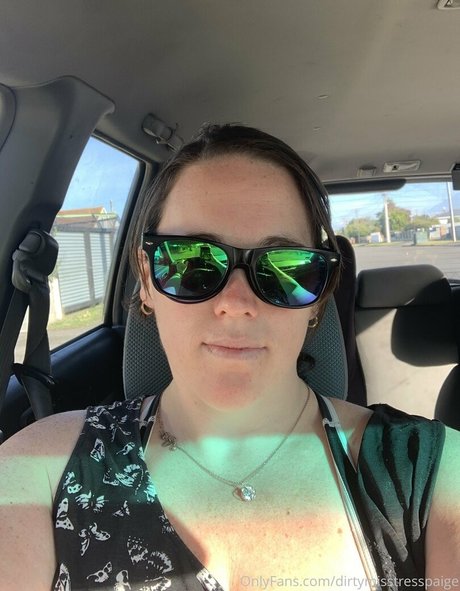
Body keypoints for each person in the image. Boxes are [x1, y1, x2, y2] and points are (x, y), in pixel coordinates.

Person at [0, 123, 459, 591]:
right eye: (192, 262)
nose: (236, 303)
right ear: (147, 279)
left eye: (283, 267)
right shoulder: (39, 470)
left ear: (319, 298)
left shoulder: (430, 472)